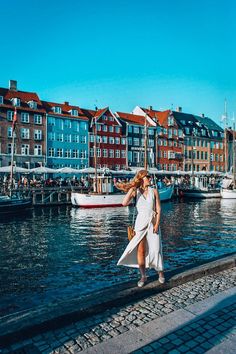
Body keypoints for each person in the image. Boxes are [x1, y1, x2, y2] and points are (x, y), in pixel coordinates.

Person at [116, 170, 165, 288]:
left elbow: (158, 209)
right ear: (142, 178)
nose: (150, 178)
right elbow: (124, 203)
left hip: (152, 223)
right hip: (140, 224)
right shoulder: (136, 191)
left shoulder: (154, 191)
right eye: (147, 176)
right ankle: (143, 276)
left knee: (156, 249)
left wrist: (157, 224)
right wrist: (132, 188)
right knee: (141, 251)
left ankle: (160, 272)